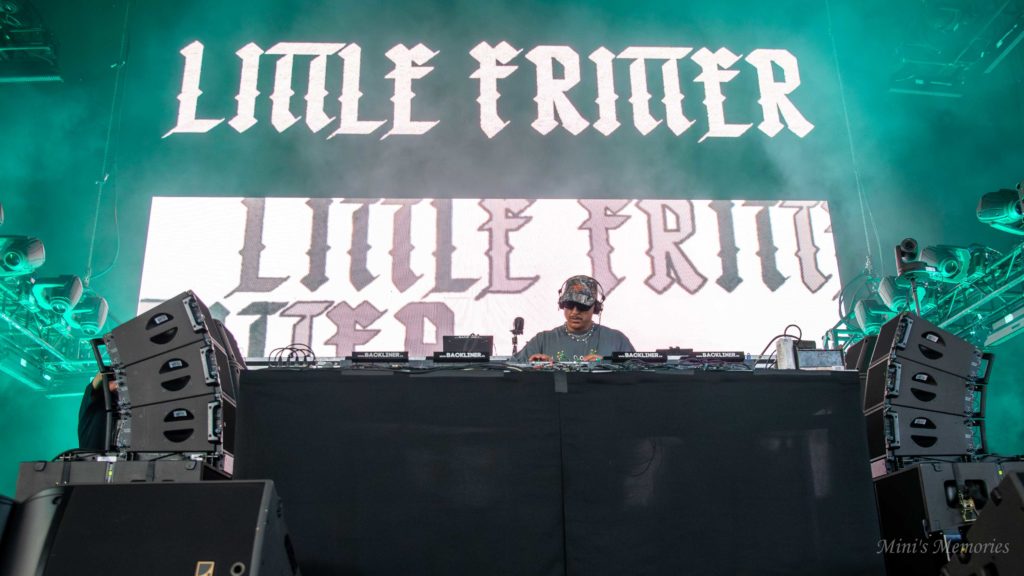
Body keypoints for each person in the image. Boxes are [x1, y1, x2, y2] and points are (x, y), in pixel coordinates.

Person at [513, 274, 634, 362]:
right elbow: (511, 368)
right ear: (562, 305)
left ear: (596, 308)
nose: (575, 312)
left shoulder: (617, 340)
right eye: (569, 305)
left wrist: (608, 364)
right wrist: (538, 368)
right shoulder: (542, 340)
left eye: (582, 306)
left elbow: (640, 370)